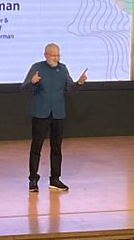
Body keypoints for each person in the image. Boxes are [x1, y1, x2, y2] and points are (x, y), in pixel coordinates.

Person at [20, 43, 87, 192]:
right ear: (45, 55)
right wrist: (32, 82)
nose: (56, 58)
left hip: (58, 114)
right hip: (40, 114)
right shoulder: (37, 67)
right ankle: (33, 180)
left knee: (56, 148)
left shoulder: (62, 69)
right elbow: (23, 88)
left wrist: (79, 83)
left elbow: (70, 87)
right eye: (53, 55)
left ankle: (55, 179)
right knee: (36, 147)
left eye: (58, 55)